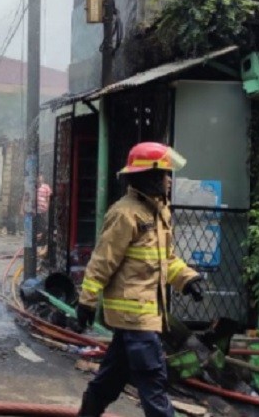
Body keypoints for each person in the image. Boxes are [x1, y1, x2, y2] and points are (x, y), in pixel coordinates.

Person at [75, 142, 205, 417]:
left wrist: (187, 278)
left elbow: (165, 259)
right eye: (166, 174)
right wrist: (86, 301)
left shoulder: (159, 213)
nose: (170, 180)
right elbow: (102, 261)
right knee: (153, 381)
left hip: (141, 317)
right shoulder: (125, 214)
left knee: (109, 382)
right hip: (135, 316)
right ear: (150, 176)